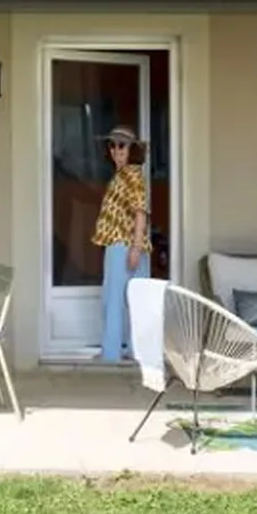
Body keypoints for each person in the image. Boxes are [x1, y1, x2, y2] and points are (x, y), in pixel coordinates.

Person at [93, 125, 150, 363]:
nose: (117, 150)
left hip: (124, 245)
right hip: (122, 244)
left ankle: (112, 355)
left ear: (132, 150)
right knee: (129, 302)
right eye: (113, 145)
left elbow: (140, 213)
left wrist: (135, 247)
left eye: (122, 146)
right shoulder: (122, 176)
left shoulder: (132, 176)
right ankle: (134, 352)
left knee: (115, 301)